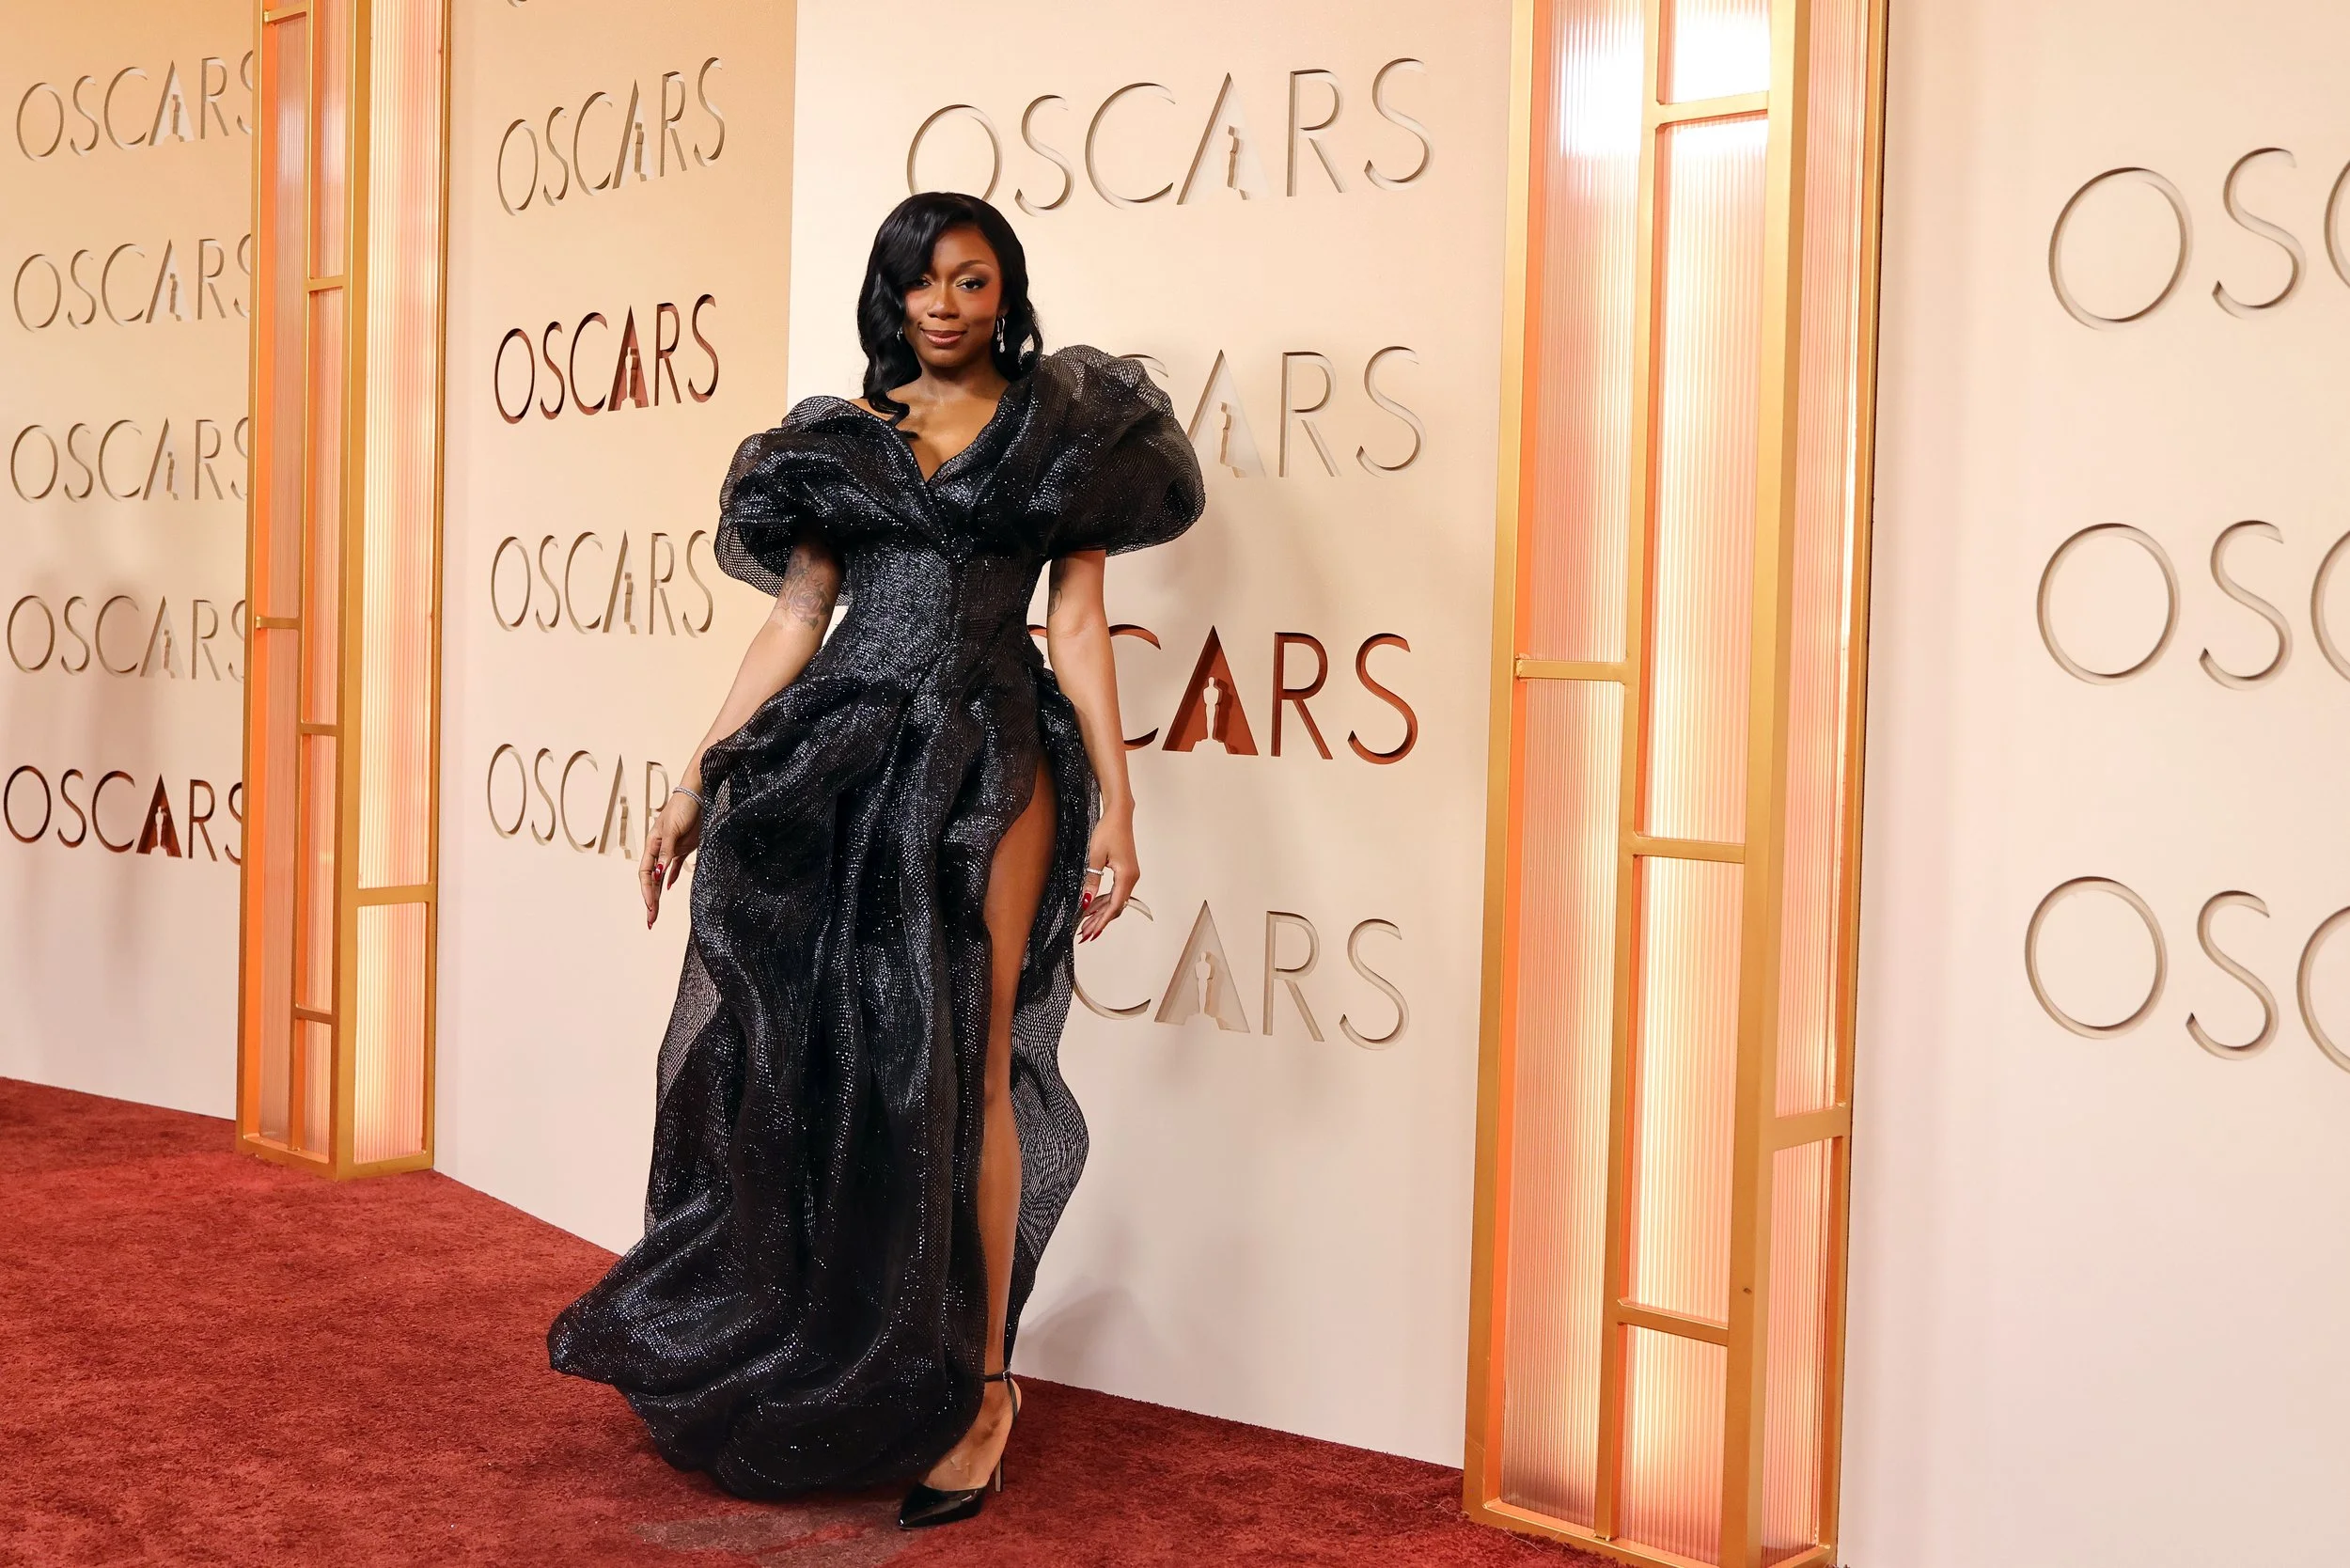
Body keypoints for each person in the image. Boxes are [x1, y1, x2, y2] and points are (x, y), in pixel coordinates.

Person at [547, 191, 1205, 1529]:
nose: (950, 304)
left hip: (989, 753)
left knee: (973, 1058)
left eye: (975, 279)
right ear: (893, 296)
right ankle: (840, 1338)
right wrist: (698, 775)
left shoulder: (1062, 435)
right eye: (926, 281)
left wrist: (1123, 806)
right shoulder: (839, 443)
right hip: (833, 761)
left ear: (1006, 291)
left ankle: (985, 1388)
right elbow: (797, 620)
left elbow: (1077, 625)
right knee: (823, 1055)